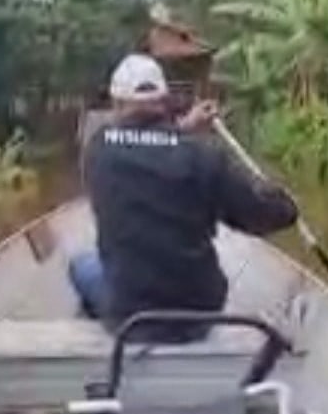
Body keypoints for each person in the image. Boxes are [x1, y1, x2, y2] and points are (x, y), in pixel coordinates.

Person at [68, 53, 299, 342]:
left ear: (116, 104)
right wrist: (285, 204)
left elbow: (144, 147)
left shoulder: (98, 151)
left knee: (80, 265)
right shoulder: (204, 156)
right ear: (164, 101)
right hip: (198, 309)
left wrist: (182, 129)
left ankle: (105, 344)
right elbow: (261, 216)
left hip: (130, 314)